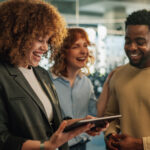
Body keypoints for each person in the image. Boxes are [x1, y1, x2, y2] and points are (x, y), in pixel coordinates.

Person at [0, 1, 104, 150]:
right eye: (39, 40)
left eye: (48, 41)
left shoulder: (41, 74)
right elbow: (3, 138)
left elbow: (53, 122)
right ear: (17, 37)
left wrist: (81, 124)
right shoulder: (3, 75)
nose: (45, 47)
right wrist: (45, 146)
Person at [104, 9, 150, 150]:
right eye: (128, 41)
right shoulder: (118, 75)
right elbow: (112, 115)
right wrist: (110, 135)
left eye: (140, 42)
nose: (132, 48)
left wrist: (140, 144)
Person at [50, 27, 99, 150]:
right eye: (76, 46)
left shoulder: (86, 83)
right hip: (56, 146)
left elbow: (95, 112)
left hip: (82, 145)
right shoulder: (47, 81)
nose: (84, 51)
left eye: (85, 45)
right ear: (63, 52)